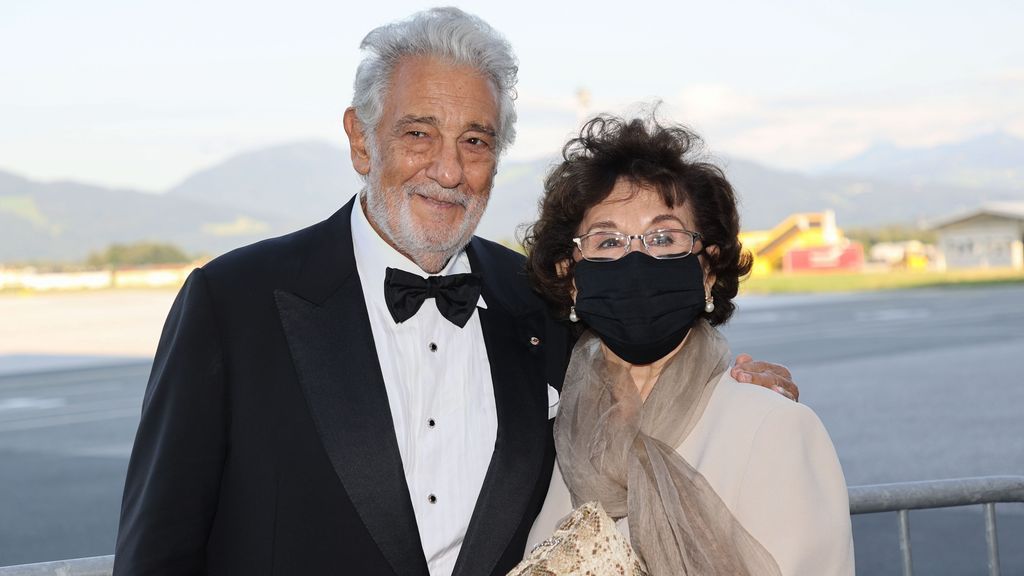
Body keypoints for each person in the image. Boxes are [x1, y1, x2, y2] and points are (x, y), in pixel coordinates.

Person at [113, 8, 799, 576]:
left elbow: (637, 391)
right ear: (361, 140)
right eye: (418, 134)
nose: (448, 169)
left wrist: (730, 393)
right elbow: (159, 551)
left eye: (476, 141)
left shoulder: (539, 301)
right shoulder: (233, 303)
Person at [522, 114, 854, 575]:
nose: (635, 258)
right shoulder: (559, 437)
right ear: (570, 276)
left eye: (663, 237)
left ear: (708, 271)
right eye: (607, 240)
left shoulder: (772, 427)